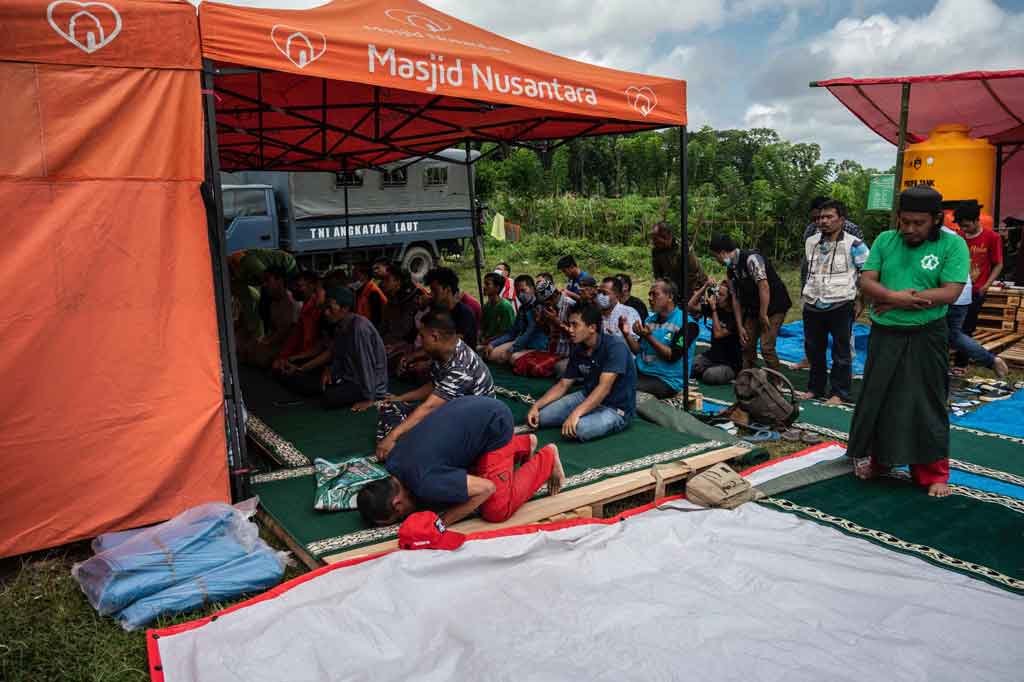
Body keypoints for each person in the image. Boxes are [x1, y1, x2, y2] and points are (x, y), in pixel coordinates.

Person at [848, 186, 970, 498]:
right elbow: (866, 280)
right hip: (885, 333)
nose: (911, 229)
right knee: (881, 398)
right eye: (905, 222)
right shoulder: (887, 240)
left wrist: (897, 301)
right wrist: (890, 297)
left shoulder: (952, 245)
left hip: (927, 333)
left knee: (926, 401)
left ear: (936, 220)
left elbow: (950, 292)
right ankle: (881, 461)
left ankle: (933, 473)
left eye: (919, 223)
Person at [358, 397, 564, 526]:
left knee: (495, 510)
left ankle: (546, 458)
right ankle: (523, 445)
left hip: (494, 423)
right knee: (455, 490)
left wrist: (443, 522)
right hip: (472, 411)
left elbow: (486, 489)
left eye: (399, 517)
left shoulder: (425, 482)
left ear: (397, 503)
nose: (404, 518)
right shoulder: (393, 461)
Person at [377, 309, 494, 460]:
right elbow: (435, 386)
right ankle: (402, 446)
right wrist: (400, 398)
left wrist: (392, 436)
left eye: (422, 336)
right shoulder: (444, 352)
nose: (419, 341)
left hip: (471, 426)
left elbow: (430, 406)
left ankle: (400, 447)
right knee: (391, 407)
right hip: (452, 411)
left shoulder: (461, 365)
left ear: (434, 337)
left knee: (420, 428)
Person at [526, 305, 636, 442]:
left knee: (579, 429)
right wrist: (536, 406)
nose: (570, 330)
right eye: (569, 324)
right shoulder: (578, 348)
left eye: (575, 325)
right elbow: (563, 385)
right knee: (540, 417)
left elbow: (603, 389)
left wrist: (576, 413)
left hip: (615, 408)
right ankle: (587, 412)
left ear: (592, 328)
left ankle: (594, 416)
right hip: (587, 396)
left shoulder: (615, 346)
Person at [799, 200, 870, 404]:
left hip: (841, 303)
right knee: (814, 348)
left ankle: (839, 393)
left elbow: (866, 274)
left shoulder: (855, 244)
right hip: (813, 301)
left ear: (841, 220)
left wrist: (860, 301)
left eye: (829, 217)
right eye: (821, 217)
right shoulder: (811, 241)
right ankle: (815, 388)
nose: (824, 221)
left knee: (841, 351)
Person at [280, 286, 388, 411]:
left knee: (329, 397)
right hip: (349, 377)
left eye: (330, 309)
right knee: (300, 381)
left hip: (367, 384)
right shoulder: (340, 326)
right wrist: (330, 371)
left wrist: (370, 399)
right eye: (326, 308)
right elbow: (338, 356)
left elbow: (366, 365)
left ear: (345, 309)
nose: (326, 312)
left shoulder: (359, 327)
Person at [709, 234, 792, 373]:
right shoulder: (731, 270)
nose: (716, 260)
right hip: (753, 308)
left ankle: (776, 381)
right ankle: (748, 377)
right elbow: (735, 298)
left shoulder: (751, 259)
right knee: (746, 343)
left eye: (715, 256)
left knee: (766, 347)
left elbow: (763, 286)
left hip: (774, 307)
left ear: (722, 253)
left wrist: (763, 313)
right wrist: (740, 325)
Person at [953, 201, 1007, 375]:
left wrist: (986, 285)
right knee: (953, 329)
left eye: (967, 225)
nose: (965, 229)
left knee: (967, 327)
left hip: (977, 290)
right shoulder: (957, 237)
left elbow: (998, 264)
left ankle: (960, 364)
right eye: (961, 226)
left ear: (977, 220)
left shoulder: (992, 237)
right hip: (956, 289)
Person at [623, 278, 689, 398]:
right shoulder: (650, 320)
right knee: (608, 375)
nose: (650, 298)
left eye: (655, 294)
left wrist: (648, 337)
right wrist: (626, 334)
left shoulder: (687, 323)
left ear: (670, 297)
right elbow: (639, 351)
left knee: (622, 386)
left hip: (666, 381)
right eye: (649, 294)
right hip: (642, 372)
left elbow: (672, 356)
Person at [238, 267, 298, 368]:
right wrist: (261, 341)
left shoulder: (291, 302)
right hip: (275, 343)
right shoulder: (272, 303)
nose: (264, 285)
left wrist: (265, 343)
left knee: (258, 355)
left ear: (279, 281)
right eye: (263, 281)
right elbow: (272, 330)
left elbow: (286, 332)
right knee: (246, 348)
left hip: (289, 347)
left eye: (267, 280)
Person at [485, 275, 549, 364]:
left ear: (533, 289)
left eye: (523, 290)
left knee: (513, 358)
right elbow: (513, 332)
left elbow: (529, 333)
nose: (520, 295)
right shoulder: (522, 309)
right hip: (521, 343)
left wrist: (511, 350)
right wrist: (493, 343)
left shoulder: (538, 308)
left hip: (536, 345)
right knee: (491, 354)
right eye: (517, 292)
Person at [688, 280, 742, 385]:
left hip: (730, 363)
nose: (717, 297)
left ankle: (719, 373)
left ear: (730, 299)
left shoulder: (735, 317)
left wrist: (713, 311)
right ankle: (707, 369)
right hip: (712, 356)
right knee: (687, 366)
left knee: (709, 376)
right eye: (717, 293)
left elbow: (718, 334)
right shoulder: (716, 306)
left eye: (721, 295)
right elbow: (691, 305)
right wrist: (705, 286)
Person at [273, 270, 326, 375]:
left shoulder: (319, 308)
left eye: (299, 286)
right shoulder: (306, 306)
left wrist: (294, 360)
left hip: (314, 358)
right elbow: (296, 336)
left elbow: (321, 346)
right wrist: (283, 357)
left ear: (312, 286)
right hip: (305, 355)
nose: (295, 289)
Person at [377, 263, 420, 373]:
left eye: (387, 280)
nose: (382, 284)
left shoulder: (416, 300)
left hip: (407, 346)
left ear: (398, 282)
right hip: (390, 343)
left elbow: (413, 335)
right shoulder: (391, 301)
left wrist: (396, 346)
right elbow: (383, 327)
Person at [651, 221, 708, 304]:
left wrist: (691, 297)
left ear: (667, 237)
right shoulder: (656, 250)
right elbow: (658, 274)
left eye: (656, 240)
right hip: (674, 286)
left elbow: (692, 275)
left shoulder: (682, 249)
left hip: (694, 286)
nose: (654, 242)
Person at [424, 267, 478, 348]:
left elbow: (452, 345)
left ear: (447, 289)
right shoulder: (436, 310)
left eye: (435, 290)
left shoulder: (465, 314)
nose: (431, 294)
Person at [535, 274, 575, 377]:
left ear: (553, 296)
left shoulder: (571, 305)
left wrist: (556, 321)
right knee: (521, 363)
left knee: (539, 368)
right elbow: (547, 333)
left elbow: (575, 336)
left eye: (546, 302)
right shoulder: (547, 307)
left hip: (567, 352)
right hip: (552, 349)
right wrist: (541, 322)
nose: (545, 305)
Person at [598, 276, 641, 342]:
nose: (600, 296)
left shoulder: (629, 313)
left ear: (617, 295)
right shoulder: (594, 313)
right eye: (599, 292)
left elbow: (635, 346)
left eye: (604, 293)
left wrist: (615, 338)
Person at [479, 272, 516, 347]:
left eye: (487, 284)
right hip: (487, 341)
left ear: (497, 288)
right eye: (484, 284)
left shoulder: (505, 307)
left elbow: (507, 333)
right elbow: (483, 327)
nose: (484, 287)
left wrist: (487, 342)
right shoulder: (486, 306)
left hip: (501, 342)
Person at [350, 263, 387, 327]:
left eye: (356, 274)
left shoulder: (373, 291)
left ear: (365, 275)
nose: (354, 277)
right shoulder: (361, 290)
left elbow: (376, 318)